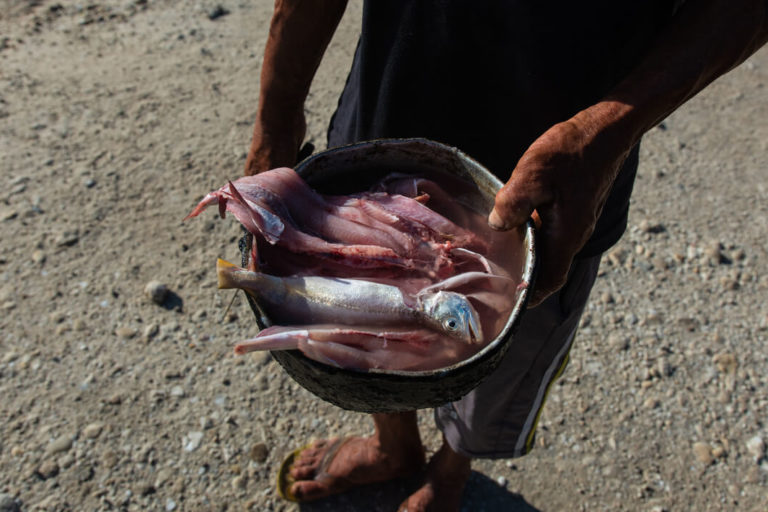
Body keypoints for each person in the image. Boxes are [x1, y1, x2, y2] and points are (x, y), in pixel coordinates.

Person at [244, 1, 768, 510]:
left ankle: (452, 472)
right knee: (356, 331)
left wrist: (604, 131)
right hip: (383, 108)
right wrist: (276, 118)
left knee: (502, 354)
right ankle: (393, 443)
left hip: (563, 182)